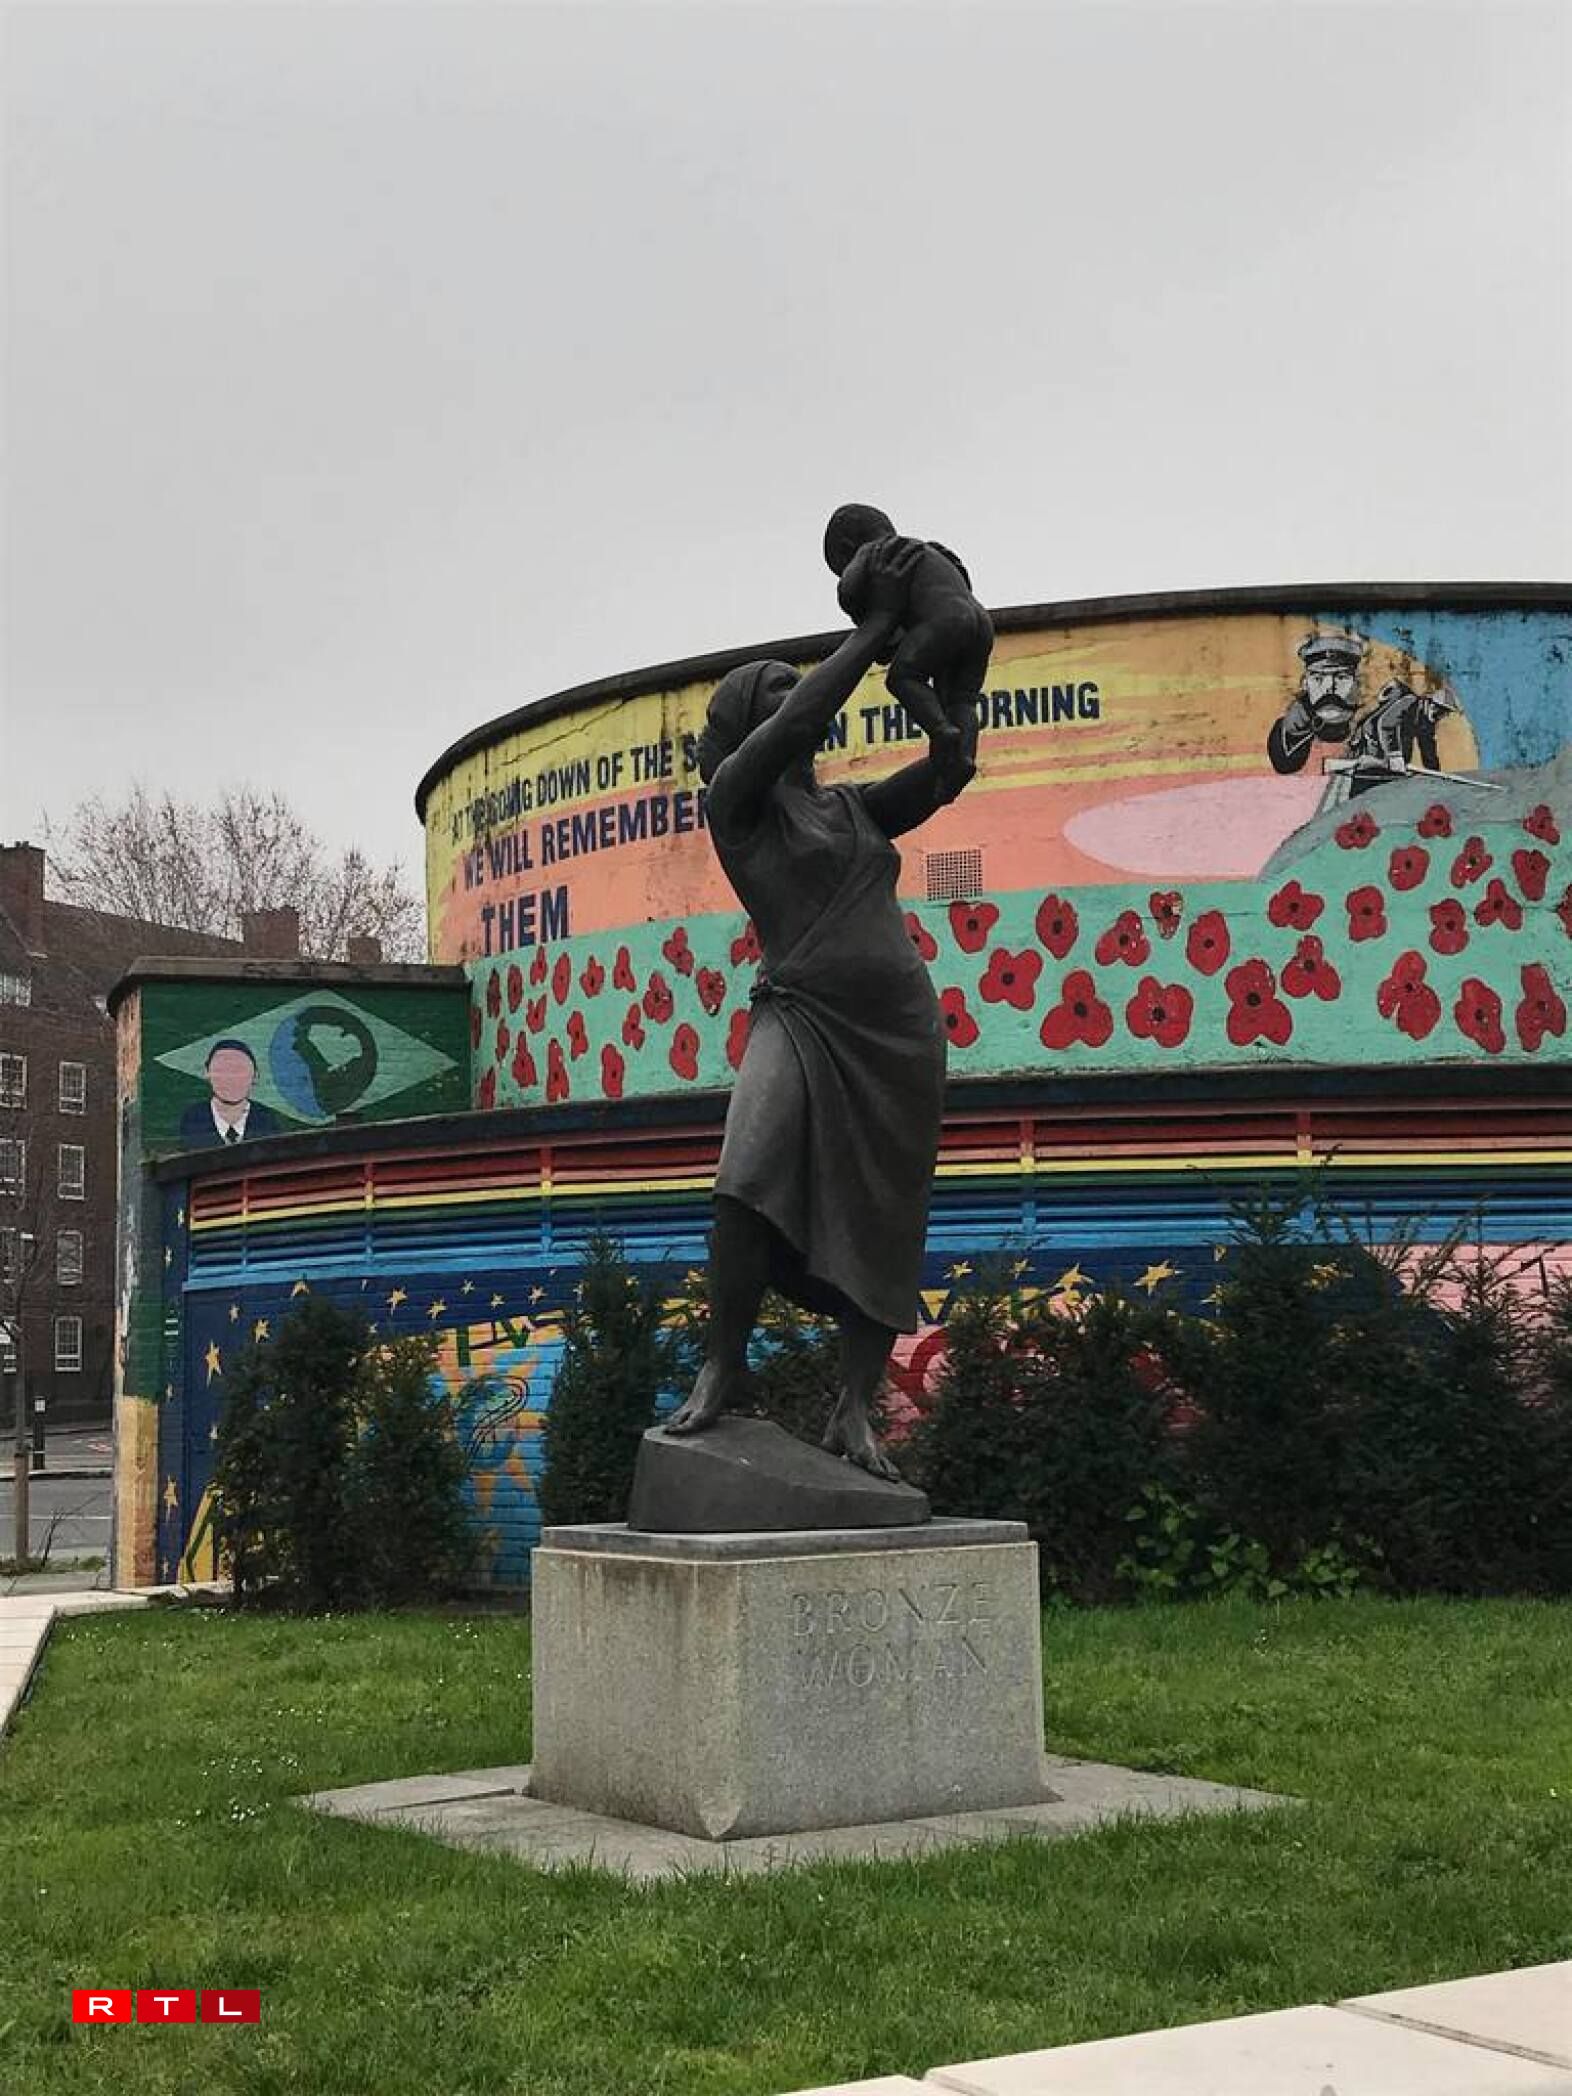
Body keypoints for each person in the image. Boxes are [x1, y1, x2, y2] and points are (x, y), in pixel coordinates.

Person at [664, 536, 979, 1480]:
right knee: (745, 1179)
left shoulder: (849, 813)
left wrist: (952, 723)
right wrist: (876, 627)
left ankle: (852, 1411)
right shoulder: (737, 807)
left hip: (897, 1038)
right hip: (799, 1018)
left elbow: (942, 777)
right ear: (741, 725)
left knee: (885, 1220)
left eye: (787, 686)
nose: (792, 693)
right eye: (769, 690)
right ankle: (722, 1368)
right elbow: (803, 717)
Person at [824, 502, 993, 793]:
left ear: (846, 547)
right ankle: (963, 759)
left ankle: (942, 732)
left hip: (945, 621)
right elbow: (961, 578)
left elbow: (848, 590)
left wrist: (858, 607)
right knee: (961, 700)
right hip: (980, 622)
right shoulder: (929, 550)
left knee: (903, 677)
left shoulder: (874, 551)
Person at [178, 1039, 283, 1148]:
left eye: (239, 1070)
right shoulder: (191, 1120)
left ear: (255, 1076)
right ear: (207, 1073)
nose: (230, 1078)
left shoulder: (268, 1122)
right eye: (221, 1070)